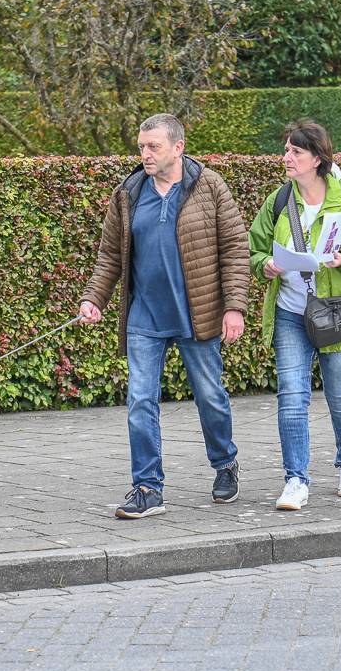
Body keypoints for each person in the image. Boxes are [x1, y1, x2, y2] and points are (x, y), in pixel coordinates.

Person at [79, 113, 250, 519]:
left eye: (153, 146)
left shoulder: (210, 187)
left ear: (178, 146)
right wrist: (93, 299)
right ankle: (147, 487)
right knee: (140, 400)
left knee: (210, 396)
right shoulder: (128, 192)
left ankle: (225, 463)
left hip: (198, 314)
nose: (145, 154)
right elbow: (109, 257)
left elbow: (236, 250)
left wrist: (234, 307)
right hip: (144, 318)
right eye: (141, 146)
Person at [247, 119, 341, 511]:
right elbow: (255, 249)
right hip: (291, 312)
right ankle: (295, 480)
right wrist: (265, 266)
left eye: (295, 152)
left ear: (317, 158)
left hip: (337, 311)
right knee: (291, 397)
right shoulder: (277, 201)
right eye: (286, 150)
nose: (286, 157)